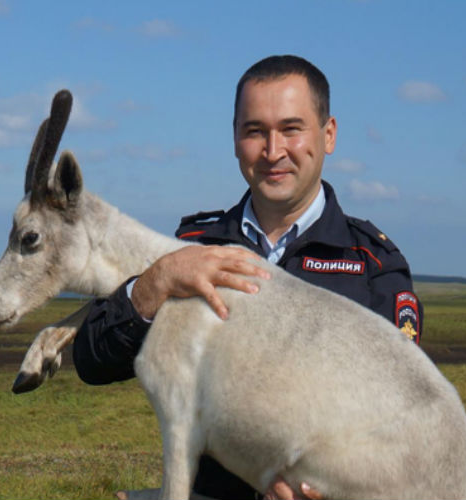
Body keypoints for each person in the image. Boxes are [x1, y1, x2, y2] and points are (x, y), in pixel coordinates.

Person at [72, 54, 423, 500]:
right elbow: (93, 361)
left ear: (328, 134)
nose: (273, 151)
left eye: (292, 129)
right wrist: (154, 284)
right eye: (255, 131)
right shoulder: (191, 248)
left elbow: (403, 414)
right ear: (235, 138)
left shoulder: (373, 265)